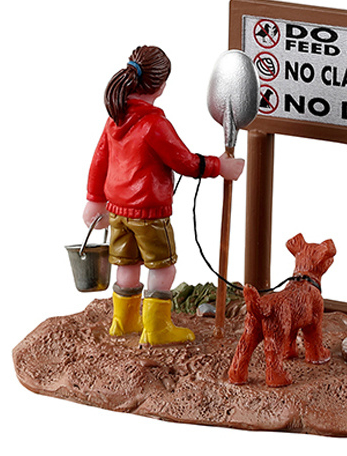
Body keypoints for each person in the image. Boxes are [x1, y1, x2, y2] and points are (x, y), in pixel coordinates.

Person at [83, 45, 244, 345]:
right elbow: (184, 161)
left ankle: (123, 321)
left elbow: (99, 160)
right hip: (149, 214)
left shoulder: (115, 119)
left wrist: (94, 199)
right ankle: (156, 329)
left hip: (117, 210)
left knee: (127, 264)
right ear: (161, 85)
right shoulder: (154, 124)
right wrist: (220, 166)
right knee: (163, 267)